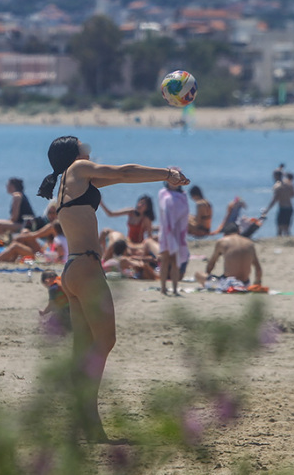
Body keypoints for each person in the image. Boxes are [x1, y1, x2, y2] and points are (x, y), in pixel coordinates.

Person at [37, 135, 189, 442]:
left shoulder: (70, 182)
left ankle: (80, 420)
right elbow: (123, 171)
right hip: (88, 271)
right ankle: (88, 416)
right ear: (73, 153)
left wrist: (155, 176)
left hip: (72, 271)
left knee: (84, 348)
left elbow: (119, 178)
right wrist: (167, 174)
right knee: (105, 341)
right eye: (82, 144)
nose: (87, 147)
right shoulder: (78, 169)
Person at [195, 223, 263, 291]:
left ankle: (205, 283)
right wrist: (257, 283)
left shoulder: (222, 241)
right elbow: (258, 269)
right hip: (245, 283)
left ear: (224, 234)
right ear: (238, 231)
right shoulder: (249, 243)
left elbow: (211, 264)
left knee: (198, 274)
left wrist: (207, 276)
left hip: (228, 284)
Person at [157, 177, 189, 296]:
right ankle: (163, 288)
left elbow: (185, 212)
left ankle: (175, 289)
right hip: (166, 232)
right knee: (165, 261)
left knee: (176, 262)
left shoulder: (183, 195)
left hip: (178, 232)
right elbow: (163, 210)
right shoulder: (162, 193)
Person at [262, 167, 294, 236]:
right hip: (290, 207)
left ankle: (281, 242)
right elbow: (293, 194)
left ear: (276, 176)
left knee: (280, 228)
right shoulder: (289, 183)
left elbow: (274, 199)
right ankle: (288, 243)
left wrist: (267, 209)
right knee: (287, 228)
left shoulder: (277, 186)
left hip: (283, 208)